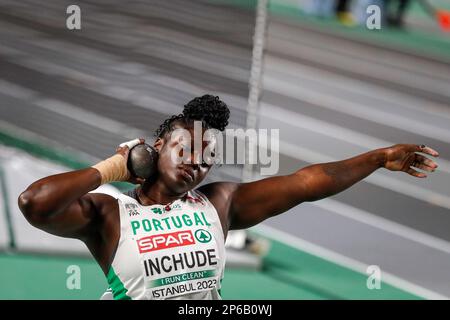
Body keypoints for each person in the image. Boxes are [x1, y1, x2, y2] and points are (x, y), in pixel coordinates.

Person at [18, 94, 439, 300]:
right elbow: (34, 203)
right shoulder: (110, 212)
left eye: (208, 158)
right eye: (186, 149)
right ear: (158, 146)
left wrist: (380, 158)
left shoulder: (218, 204)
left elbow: (310, 182)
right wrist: (113, 168)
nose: (197, 164)